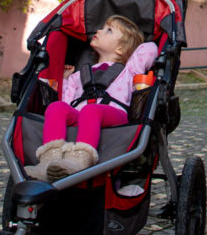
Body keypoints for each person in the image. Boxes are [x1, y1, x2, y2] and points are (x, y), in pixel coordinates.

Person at [26, 15, 158, 182]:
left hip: (114, 116)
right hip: (81, 115)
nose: (99, 30)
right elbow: (66, 102)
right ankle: (49, 160)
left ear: (120, 49)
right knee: (56, 108)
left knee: (91, 110)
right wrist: (66, 78)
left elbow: (150, 49)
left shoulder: (129, 70)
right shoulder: (79, 75)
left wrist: (133, 45)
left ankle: (81, 159)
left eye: (108, 30)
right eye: (102, 27)